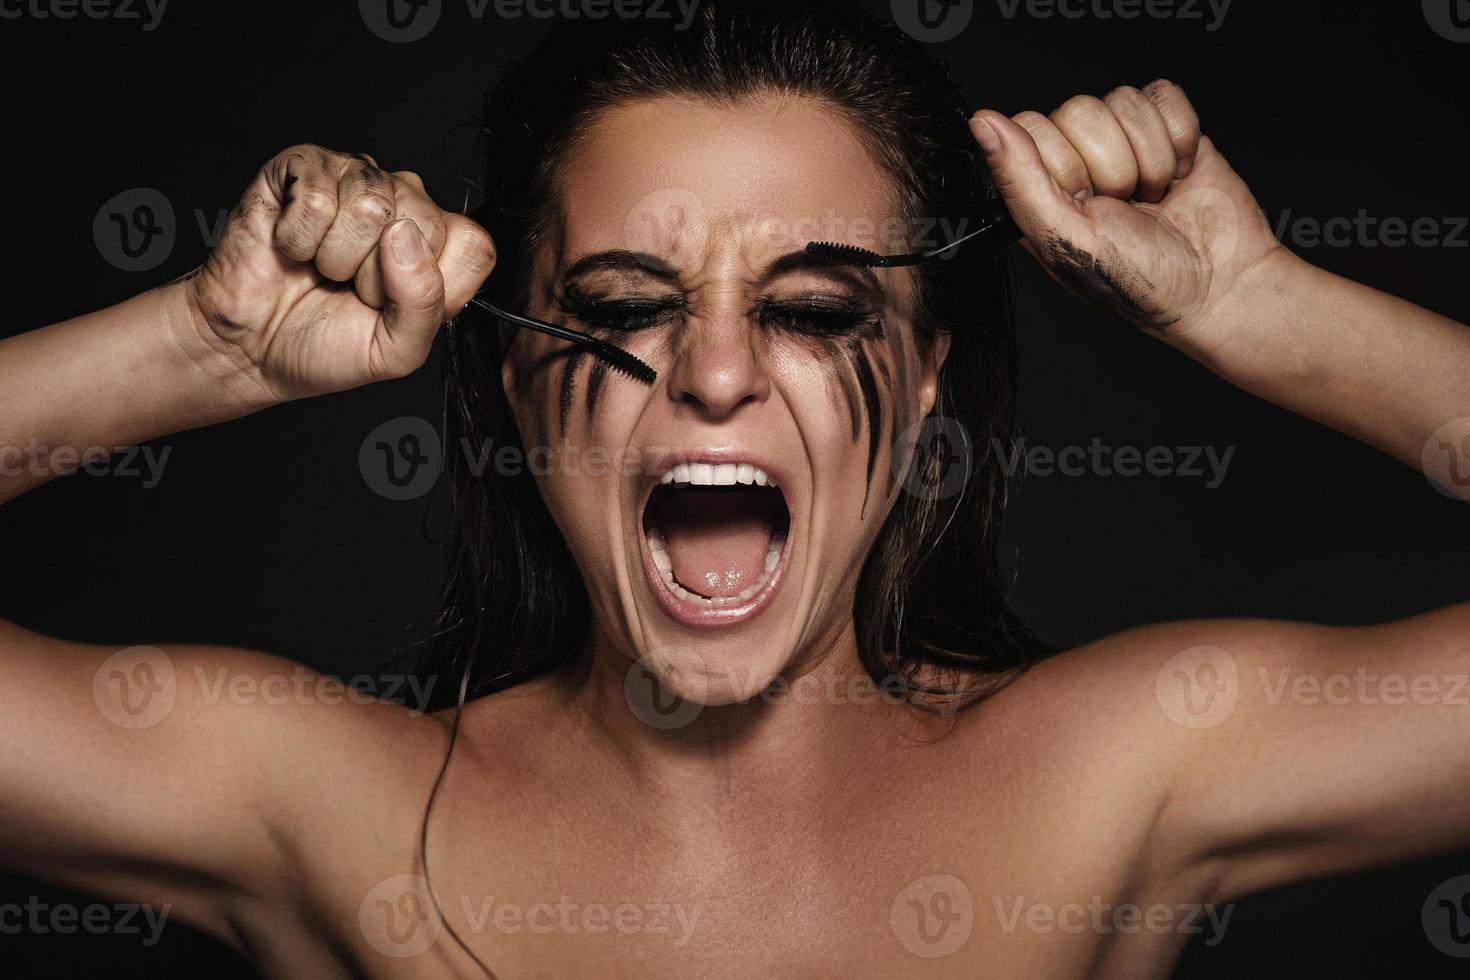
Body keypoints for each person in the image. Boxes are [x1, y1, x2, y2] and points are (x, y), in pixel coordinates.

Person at [2, 3, 1467, 976]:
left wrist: (1259, 308)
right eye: (625, 306)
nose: (710, 374)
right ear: (516, 379)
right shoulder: (314, 802)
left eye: (817, 309)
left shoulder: (1121, 769)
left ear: (928, 381)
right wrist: (204, 348)